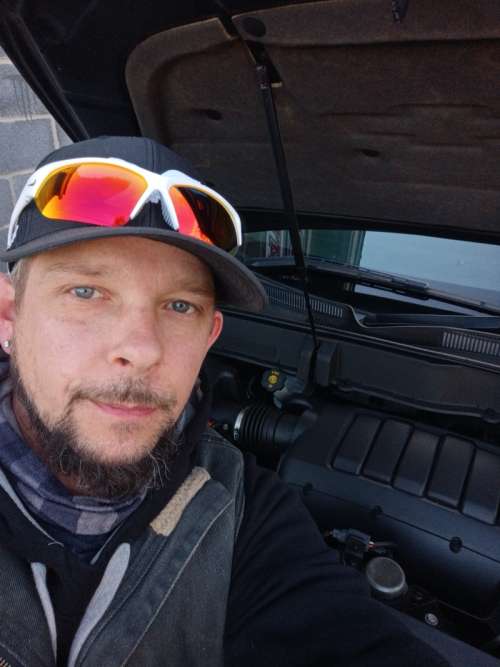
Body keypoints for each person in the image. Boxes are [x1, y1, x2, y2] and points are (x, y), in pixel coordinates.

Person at [0, 135, 451, 667]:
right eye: (86, 292)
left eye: (179, 305)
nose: (142, 350)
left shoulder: (245, 516)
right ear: (9, 316)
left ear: (210, 336)